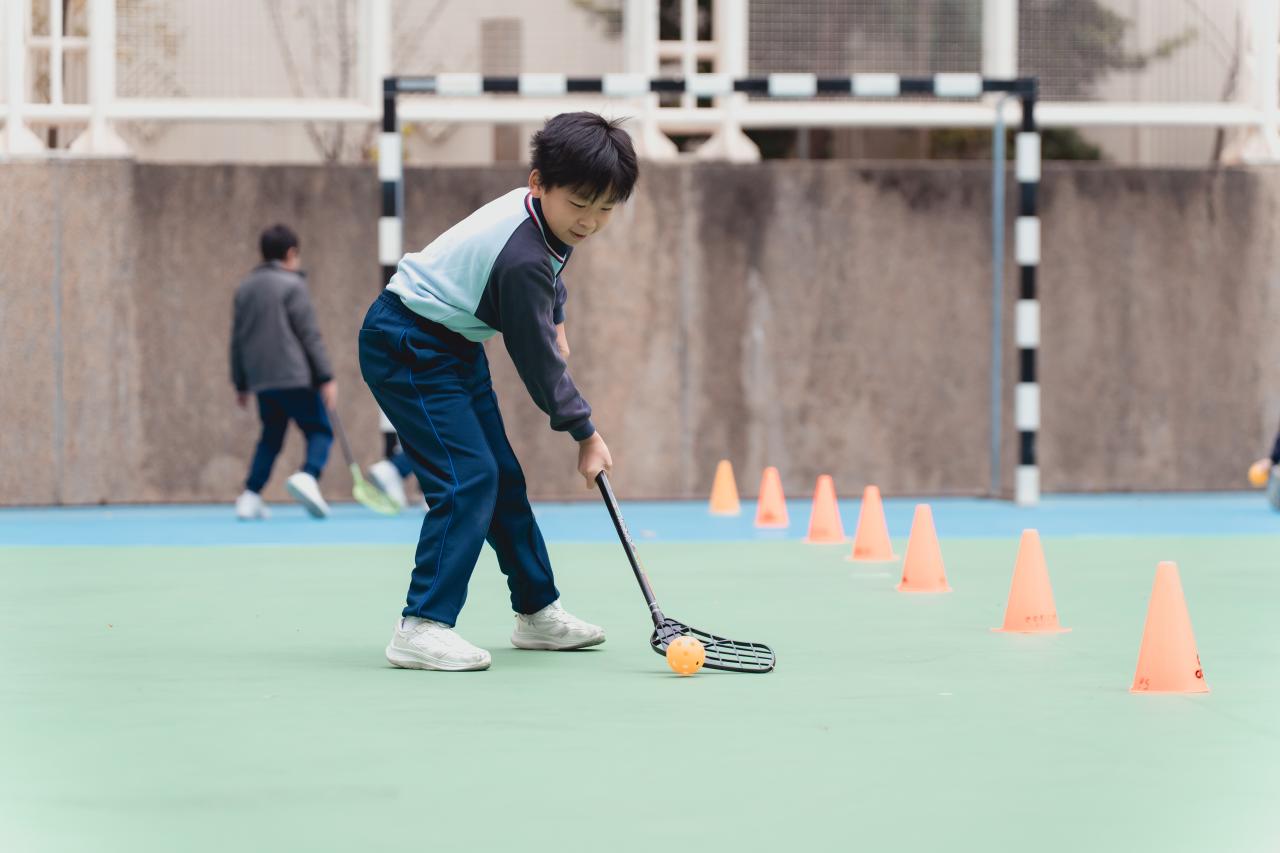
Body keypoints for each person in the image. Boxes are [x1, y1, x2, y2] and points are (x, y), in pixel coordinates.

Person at [359, 112, 637, 671]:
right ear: (539, 183)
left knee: (502, 478)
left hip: (452, 342)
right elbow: (538, 364)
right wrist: (586, 434)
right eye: (580, 204)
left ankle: (537, 612)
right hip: (407, 344)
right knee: (468, 479)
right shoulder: (523, 257)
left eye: (607, 208)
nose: (590, 221)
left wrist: (556, 315)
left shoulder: (543, 217)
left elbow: (550, 272)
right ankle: (421, 625)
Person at [230, 224, 337, 520]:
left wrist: (241, 383)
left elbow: (237, 340)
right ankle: (309, 475)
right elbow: (309, 335)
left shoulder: (245, 288)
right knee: (319, 429)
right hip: (295, 376)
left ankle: (250, 495)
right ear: (291, 253)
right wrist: (326, 376)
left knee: (271, 436)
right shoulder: (293, 285)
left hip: (262, 379)